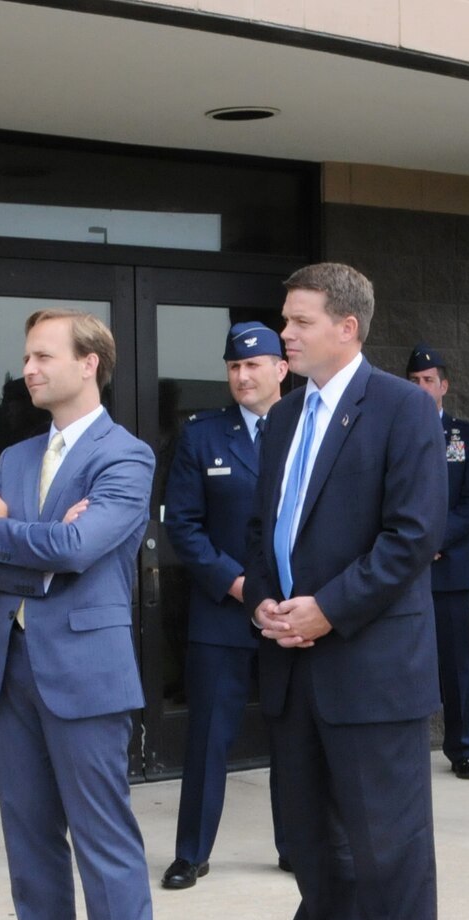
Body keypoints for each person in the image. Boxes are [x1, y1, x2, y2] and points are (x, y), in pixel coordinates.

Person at [239, 262, 446, 920]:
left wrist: (327, 610)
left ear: (347, 327)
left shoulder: (401, 409)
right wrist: (263, 594)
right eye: (285, 322)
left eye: (297, 322)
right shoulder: (288, 417)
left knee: (385, 836)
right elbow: (270, 530)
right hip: (291, 658)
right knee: (308, 829)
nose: (283, 334)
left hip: (368, 662)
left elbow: (412, 535)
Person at [0, 309, 156, 920]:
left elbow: (82, 546)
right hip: (15, 674)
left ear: (89, 364)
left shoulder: (125, 456)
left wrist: (2, 527)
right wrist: (34, 548)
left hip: (85, 672)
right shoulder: (12, 458)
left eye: (44, 356)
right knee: (30, 834)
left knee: (104, 836)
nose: (28, 369)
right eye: (26, 357)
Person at [159, 321, 289, 889]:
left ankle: (297, 847)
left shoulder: (310, 428)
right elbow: (183, 527)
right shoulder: (202, 436)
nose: (241, 375)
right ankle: (192, 852)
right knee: (208, 738)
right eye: (234, 367)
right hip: (223, 611)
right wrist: (240, 587)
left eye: (253, 365)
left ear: (281, 369)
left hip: (295, 615)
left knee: (295, 740)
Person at [406, 344, 469, 780]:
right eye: (414, 381)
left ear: (443, 385)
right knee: (405, 660)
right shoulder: (393, 432)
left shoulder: (466, 436)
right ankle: (407, 748)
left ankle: (462, 748)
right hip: (402, 570)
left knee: (455, 663)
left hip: (450, 567)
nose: (421, 388)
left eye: (428, 381)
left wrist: (433, 540)